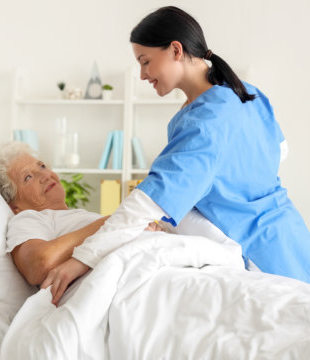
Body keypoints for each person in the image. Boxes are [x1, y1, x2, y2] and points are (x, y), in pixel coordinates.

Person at [52, 5, 310, 301]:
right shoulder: (243, 92)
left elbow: (149, 201)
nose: (142, 74)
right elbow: (279, 150)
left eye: (145, 61)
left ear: (176, 49)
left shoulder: (206, 121)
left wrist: (80, 261)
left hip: (261, 257)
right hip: (291, 235)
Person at [0, 141, 164, 296]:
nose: (44, 175)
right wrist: (115, 223)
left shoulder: (76, 216)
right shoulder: (28, 219)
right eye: (28, 177)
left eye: (42, 166)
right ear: (14, 205)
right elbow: (39, 263)